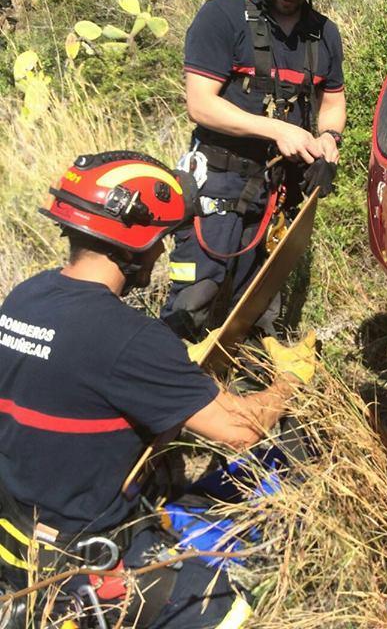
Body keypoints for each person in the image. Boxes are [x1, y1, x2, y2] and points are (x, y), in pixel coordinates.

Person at [0, 153, 317, 628]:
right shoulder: (127, 337)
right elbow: (241, 430)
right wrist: (291, 379)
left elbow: (76, 379)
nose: (163, 252)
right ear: (135, 245)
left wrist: (177, 372)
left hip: (18, 544)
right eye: (162, 240)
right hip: (86, 568)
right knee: (226, 604)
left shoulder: (26, 296)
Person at [160, 0, 346, 341]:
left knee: (258, 309)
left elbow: (333, 101)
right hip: (218, 183)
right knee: (195, 300)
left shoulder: (324, 34)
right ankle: (170, 375)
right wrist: (277, 130)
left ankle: (248, 376)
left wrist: (328, 137)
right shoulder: (222, 16)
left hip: (278, 192)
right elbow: (201, 105)